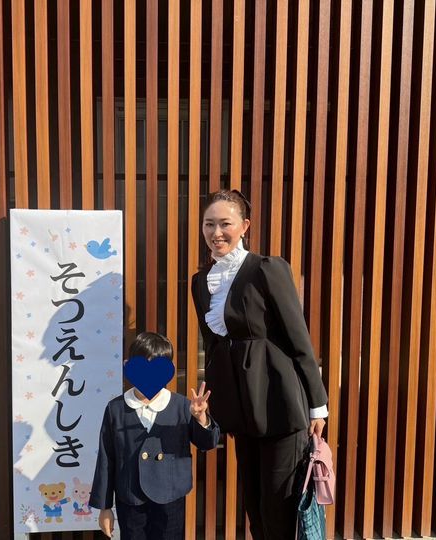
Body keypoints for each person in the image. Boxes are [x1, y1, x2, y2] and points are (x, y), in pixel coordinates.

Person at [190, 189, 328, 540]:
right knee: (254, 506)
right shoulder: (200, 282)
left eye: (225, 223)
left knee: (278, 508)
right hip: (242, 409)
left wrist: (318, 405)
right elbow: (213, 345)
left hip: (280, 403)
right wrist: (216, 405)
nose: (216, 232)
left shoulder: (267, 269)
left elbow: (299, 338)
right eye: (209, 224)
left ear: (244, 226)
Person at [90, 331, 220, 540]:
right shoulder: (116, 409)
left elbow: (208, 443)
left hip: (170, 498)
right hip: (130, 499)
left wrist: (201, 418)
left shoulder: (182, 406)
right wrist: (105, 507)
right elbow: (106, 459)